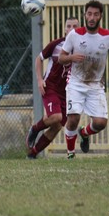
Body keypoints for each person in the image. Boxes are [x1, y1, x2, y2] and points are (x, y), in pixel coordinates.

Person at [59, 0, 109, 159]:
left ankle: (84, 133)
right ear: (85, 15)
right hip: (76, 83)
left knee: (100, 123)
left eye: (96, 14)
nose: (92, 17)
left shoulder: (108, 36)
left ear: (100, 17)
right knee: (73, 118)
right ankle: (70, 154)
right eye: (89, 14)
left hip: (95, 85)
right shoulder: (74, 35)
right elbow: (61, 58)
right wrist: (71, 57)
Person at [26, 17, 80, 159]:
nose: (72, 29)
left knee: (56, 126)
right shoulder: (56, 45)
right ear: (64, 29)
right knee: (56, 117)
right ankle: (35, 129)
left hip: (67, 92)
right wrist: (39, 80)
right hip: (50, 87)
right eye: (69, 26)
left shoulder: (82, 48)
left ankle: (32, 154)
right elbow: (39, 59)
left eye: (75, 26)